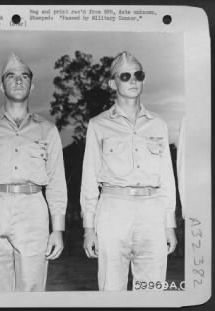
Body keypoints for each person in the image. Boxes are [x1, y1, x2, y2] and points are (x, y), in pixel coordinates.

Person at [0, 54, 67, 292]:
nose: (18, 81)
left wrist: (58, 230)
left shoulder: (47, 130)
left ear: (32, 85)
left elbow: (56, 183)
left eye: (24, 77)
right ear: (2, 85)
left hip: (33, 208)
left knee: (32, 289)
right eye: (11, 76)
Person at [80, 51, 177, 291]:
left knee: (153, 290)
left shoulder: (158, 124)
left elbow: (167, 178)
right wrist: (89, 229)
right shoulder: (98, 125)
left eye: (138, 74)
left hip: (152, 211)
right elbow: (89, 179)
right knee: (111, 289)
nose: (133, 80)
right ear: (113, 83)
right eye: (125, 76)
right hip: (113, 210)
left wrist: (169, 225)